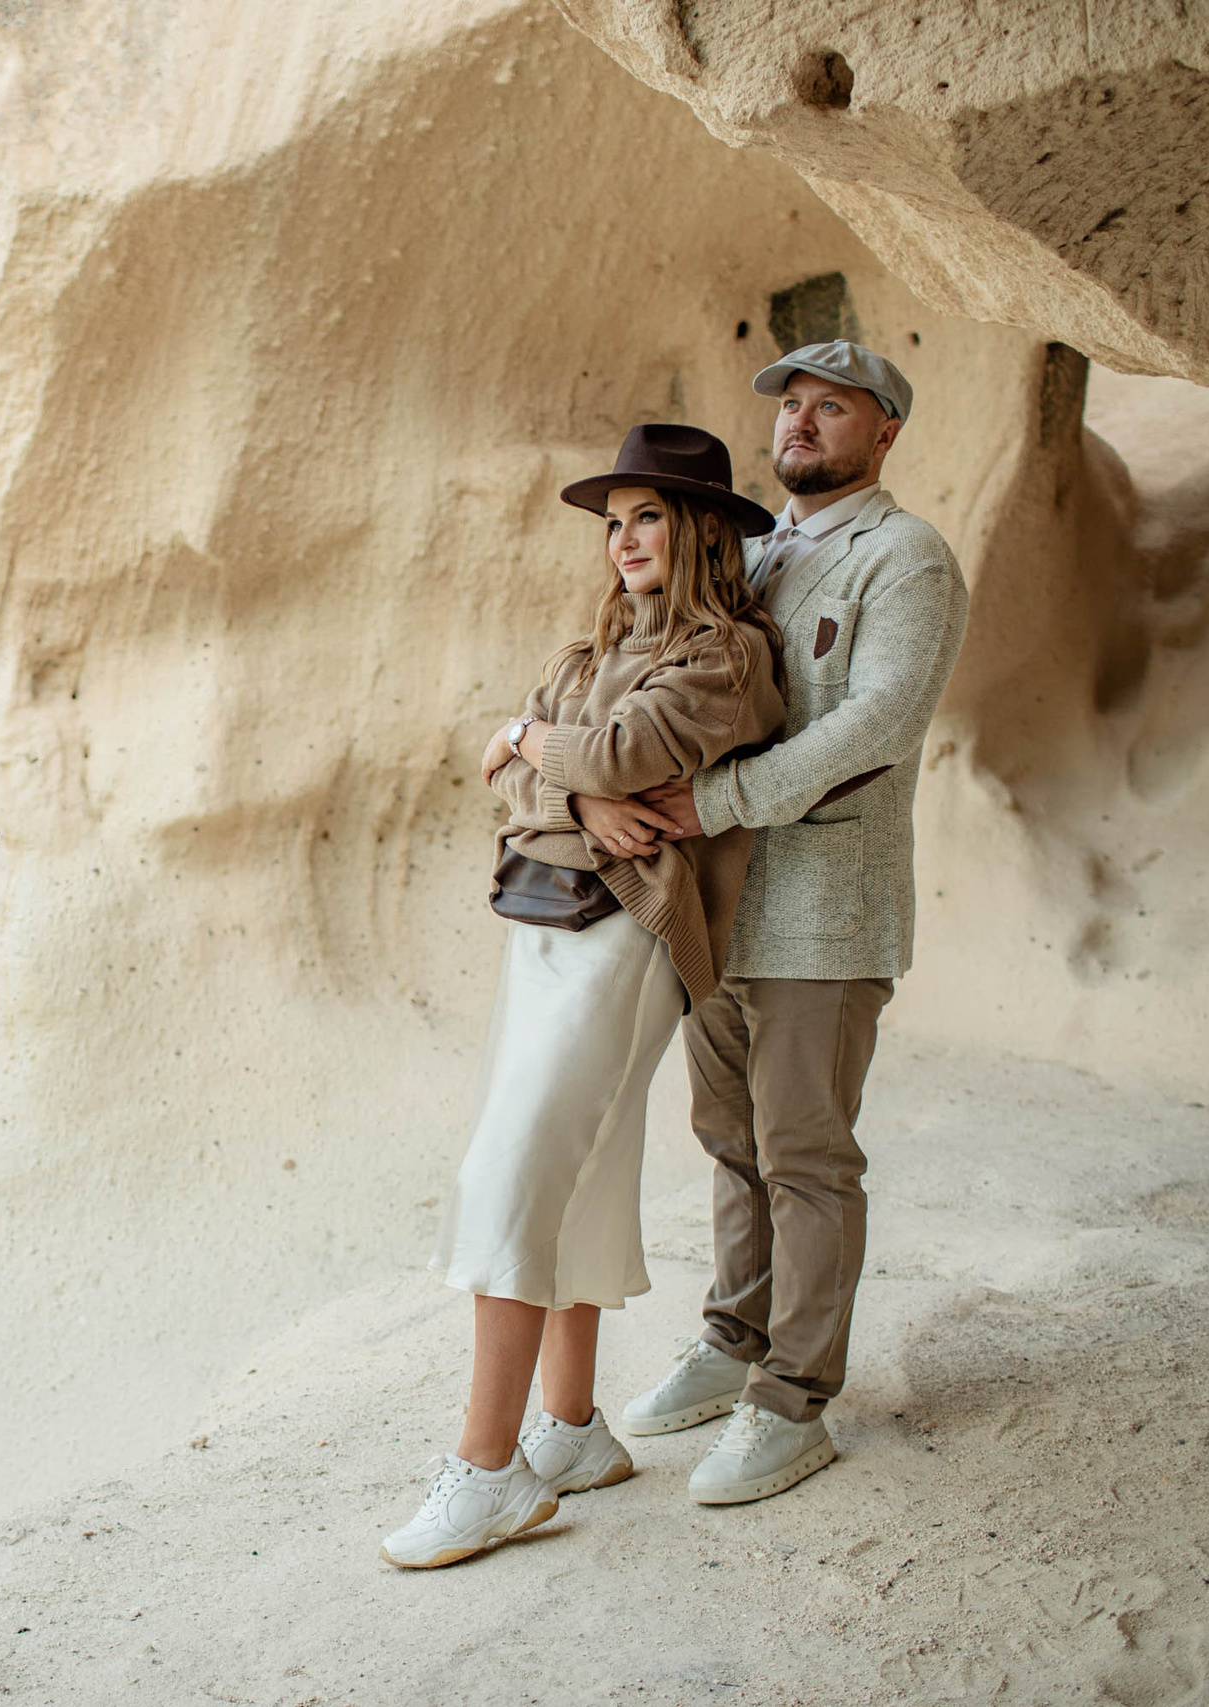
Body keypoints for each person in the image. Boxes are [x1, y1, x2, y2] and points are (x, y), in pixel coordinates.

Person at [382, 423, 787, 1570]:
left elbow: (610, 756)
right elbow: (512, 778)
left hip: (631, 937)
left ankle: (487, 1470)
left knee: (514, 1164)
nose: (622, 542)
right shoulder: (582, 652)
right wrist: (559, 775)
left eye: (646, 517)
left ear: (701, 529)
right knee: (585, 1157)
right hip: (541, 928)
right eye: (612, 524)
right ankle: (567, 1432)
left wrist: (538, 752)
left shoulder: (728, 659)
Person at [590, 341, 969, 1506]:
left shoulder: (904, 559)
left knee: (804, 1155)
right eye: (790, 407)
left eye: (832, 408)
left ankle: (792, 1399)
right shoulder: (743, 553)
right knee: (726, 1137)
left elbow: (875, 727)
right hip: (714, 907)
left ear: (883, 433)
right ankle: (732, 1338)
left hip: (822, 909)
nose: (800, 423)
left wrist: (713, 801)